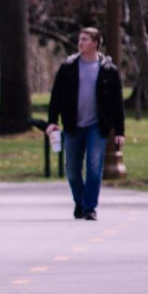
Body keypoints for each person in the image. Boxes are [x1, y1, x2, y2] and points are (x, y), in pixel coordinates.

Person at [46, 27, 125, 221]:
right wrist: (52, 122)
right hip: (73, 124)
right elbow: (56, 96)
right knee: (72, 171)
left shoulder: (108, 70)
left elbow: (117, 102)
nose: (80, 42)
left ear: (96, 44)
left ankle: (90, 207)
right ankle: (80, 202)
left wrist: (119, 131)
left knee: (94, 166)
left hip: (97, 126)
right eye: (79, 39)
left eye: (85, 39)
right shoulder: (68, 67)